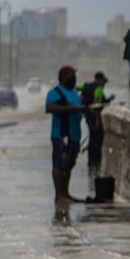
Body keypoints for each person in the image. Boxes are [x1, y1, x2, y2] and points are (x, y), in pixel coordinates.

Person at [45, 66, 88, 214]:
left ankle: (66, 192)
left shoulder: (75, 92)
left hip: (74, 135)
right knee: (59, 164)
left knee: (69, 163)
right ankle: (59, 195)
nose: (74, 78)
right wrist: (71, 109)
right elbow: (49, 107)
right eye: (71, 75)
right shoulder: (55, 92)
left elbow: (79, 105)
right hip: (61, 135)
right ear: (63, 77)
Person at [80, 71, 114, 173]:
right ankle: (95, 161)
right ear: (100, 80)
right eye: (104, 82)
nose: (104, 85)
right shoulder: (98, 89)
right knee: (96, 139)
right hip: (95, 116)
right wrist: (97, 120)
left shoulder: (86, 86)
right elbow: (96, 105)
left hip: (88, 115)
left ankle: (91, 161)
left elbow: (77, 89)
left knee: (92, 138)